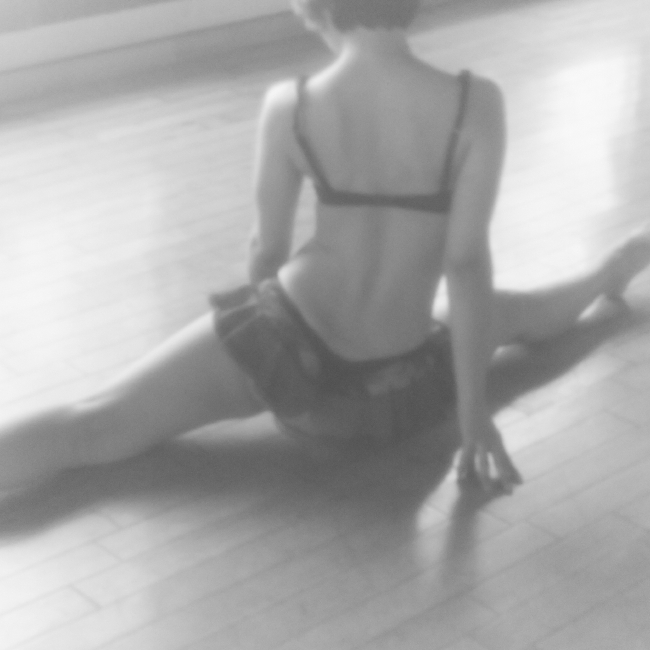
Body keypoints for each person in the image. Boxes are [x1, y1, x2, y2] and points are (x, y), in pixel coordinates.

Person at [1, 0, 649, 495]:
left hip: (295, 355)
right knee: (514, 314)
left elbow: (266, 254)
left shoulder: (291, 104)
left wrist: (266, 363)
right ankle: (610, 270)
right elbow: (466, 265)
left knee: (95, 422)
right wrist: (474, 416)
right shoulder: (475, 104)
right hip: (399, 389)